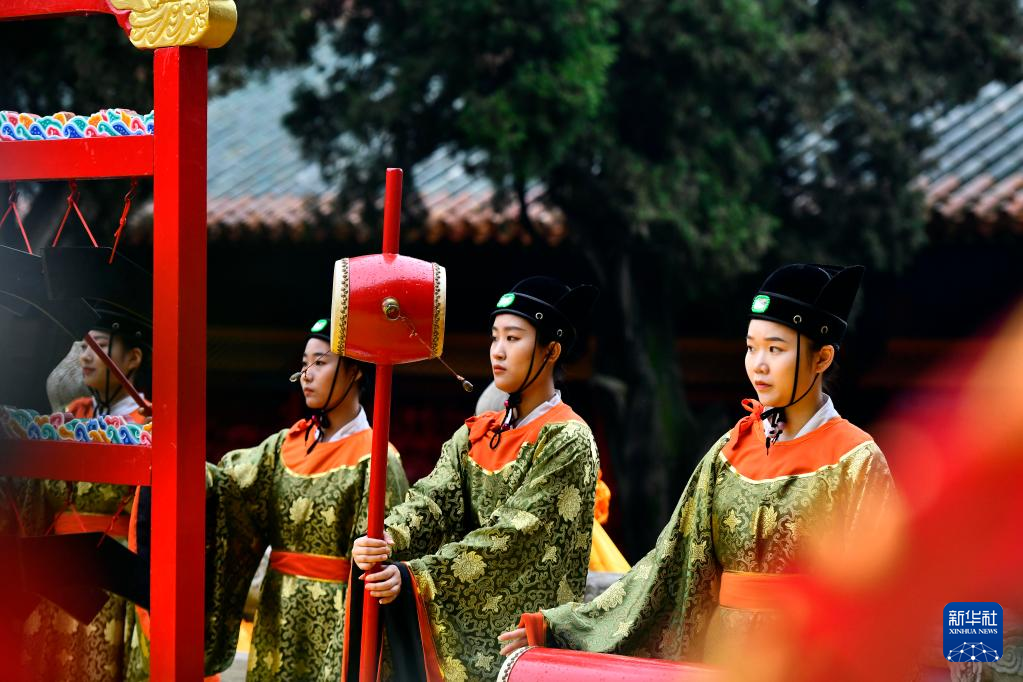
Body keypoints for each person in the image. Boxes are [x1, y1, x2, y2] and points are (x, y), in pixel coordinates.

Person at [499, 264, 896, 666]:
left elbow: (881, 596)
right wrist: (562, 626)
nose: (758, 364)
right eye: (751, 347)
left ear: (822, 357)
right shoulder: (730, 452)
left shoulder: (856, 459)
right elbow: (668, 565)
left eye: (775, 349)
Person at [348, 276, 600, 682]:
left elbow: (515, 535)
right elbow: (432, 499)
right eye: (494, 337)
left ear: (551, 350)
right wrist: (387, 537)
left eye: (513, 338)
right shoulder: (476, 433)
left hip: (523, 641)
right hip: (463, 610)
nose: (497, 350)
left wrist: (417, 578)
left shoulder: (568, 438)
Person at [179, 319, 409, 682]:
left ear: (355, 371)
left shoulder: (377, 458)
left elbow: (388, 560)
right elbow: (227, 487)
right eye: (304, 364)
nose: (307, 374)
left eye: (320, 362)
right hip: (277, 608)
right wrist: (179, 463)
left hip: (337, 618)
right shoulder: (284, 446)